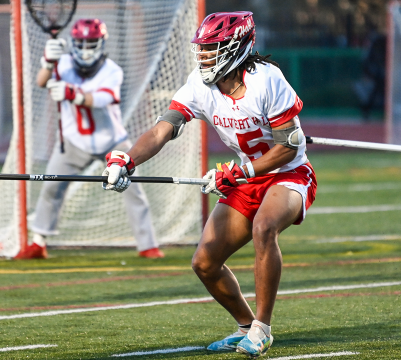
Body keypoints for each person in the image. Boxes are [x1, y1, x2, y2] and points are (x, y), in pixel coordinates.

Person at [102, 12, 316, 358]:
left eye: (213, 48)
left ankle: (262, 329)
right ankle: (245, 326)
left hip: (287, 174)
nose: (204, 56)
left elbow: (288, 146)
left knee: (264, 227)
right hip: (244, 177)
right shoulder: (199, 85)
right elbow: (164, 128)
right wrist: (127, 160)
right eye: (202, 49)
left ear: (237, 47)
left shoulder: (267, 79)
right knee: (204, 262)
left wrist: (242, 170)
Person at [20, 18, 164, 259]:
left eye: (91, 43)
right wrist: (47, 62)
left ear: (101, 43)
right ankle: (38, 242)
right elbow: (41, 81)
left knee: (133, 190)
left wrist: (71, 93)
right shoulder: (62, 63)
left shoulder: (112, 71)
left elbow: (102, 99)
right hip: (73, 141)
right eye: (82, 43)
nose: (86, 49)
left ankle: (148, 245)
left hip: (112, 141)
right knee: (51, 187)